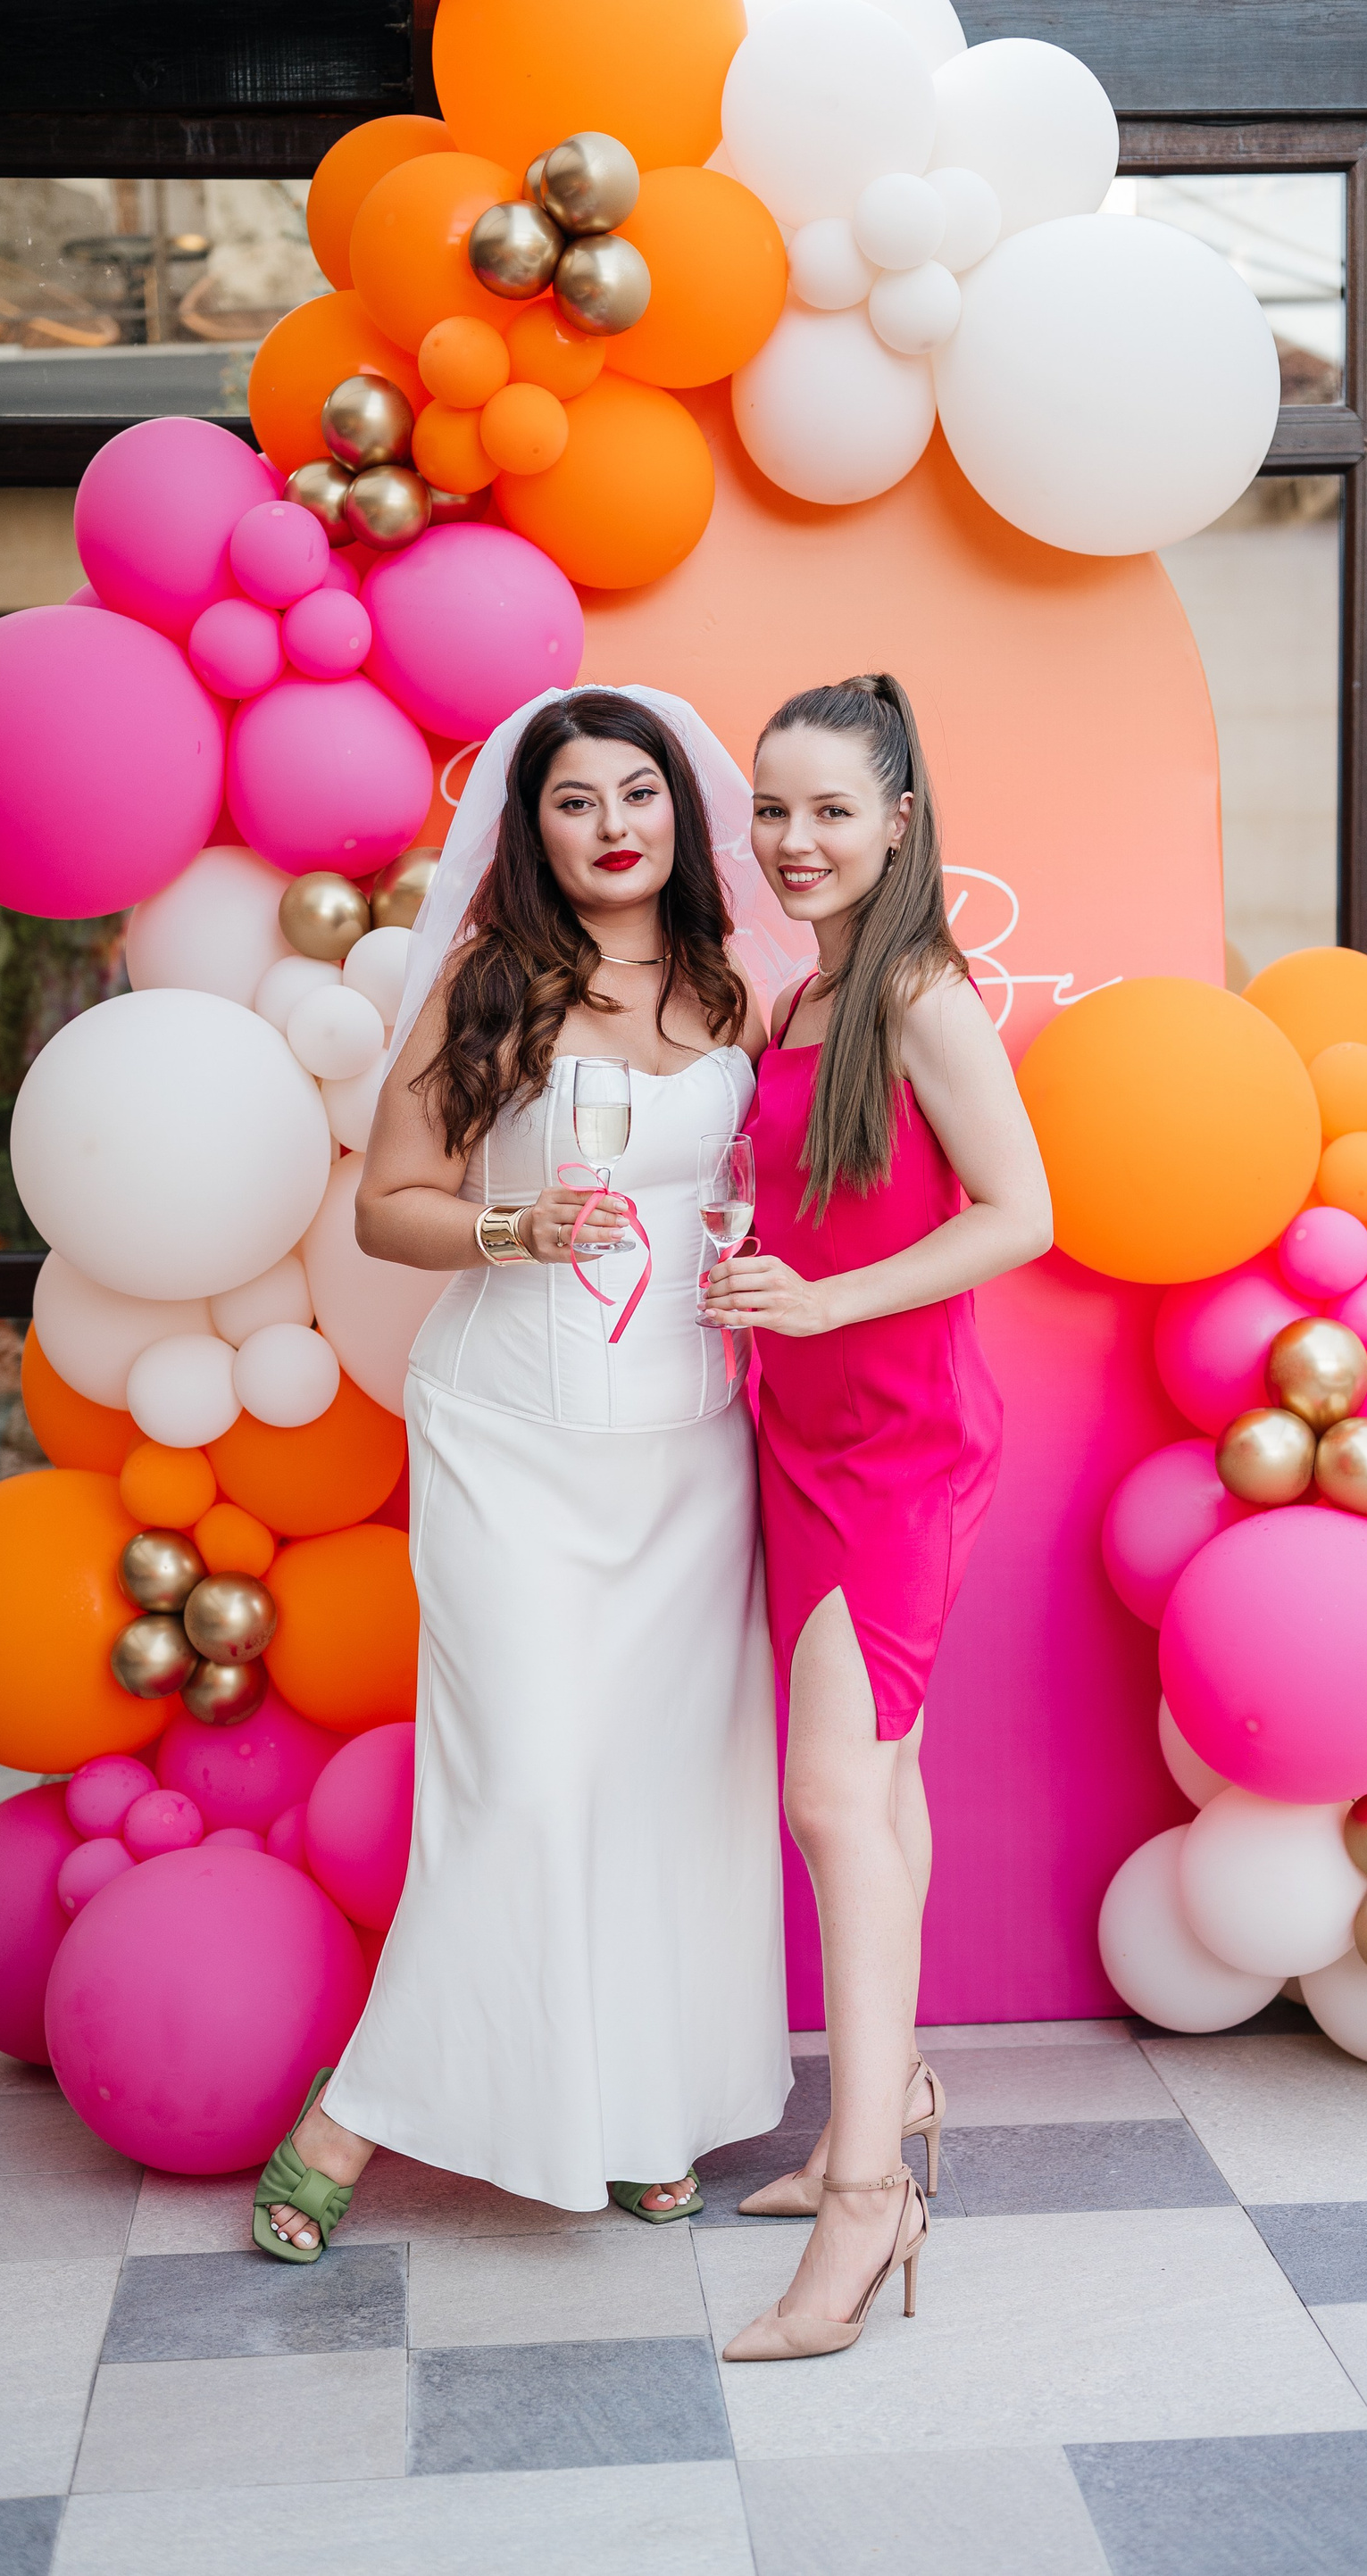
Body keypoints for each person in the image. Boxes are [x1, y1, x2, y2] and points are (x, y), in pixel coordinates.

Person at [254, 686, 792, 2259]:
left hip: (691, 1451)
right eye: (576, 799)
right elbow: (386, 1204)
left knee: (663, 1790)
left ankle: (637, 2113)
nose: (614, 824)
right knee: (529, 1779)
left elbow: (750, 1180)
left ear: (680, 812)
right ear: (531, 827)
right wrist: (515, 1224)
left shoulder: (731, 987)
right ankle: (351, 2118)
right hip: (509, 1436)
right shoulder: (488, 982)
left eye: (639, 792)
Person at [702, 673, 1054, 2360]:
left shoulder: (915, 990)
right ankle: (890, 2093)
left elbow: (1022, 1211)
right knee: (881, 1788)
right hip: (806, 1432)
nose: (796, 840)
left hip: (899, 1446)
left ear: (900, 820)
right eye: (773, 809)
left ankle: (865, 2197)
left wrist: (829, 1304)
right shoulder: (805, 993)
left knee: (832, 1798)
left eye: (832, 810)